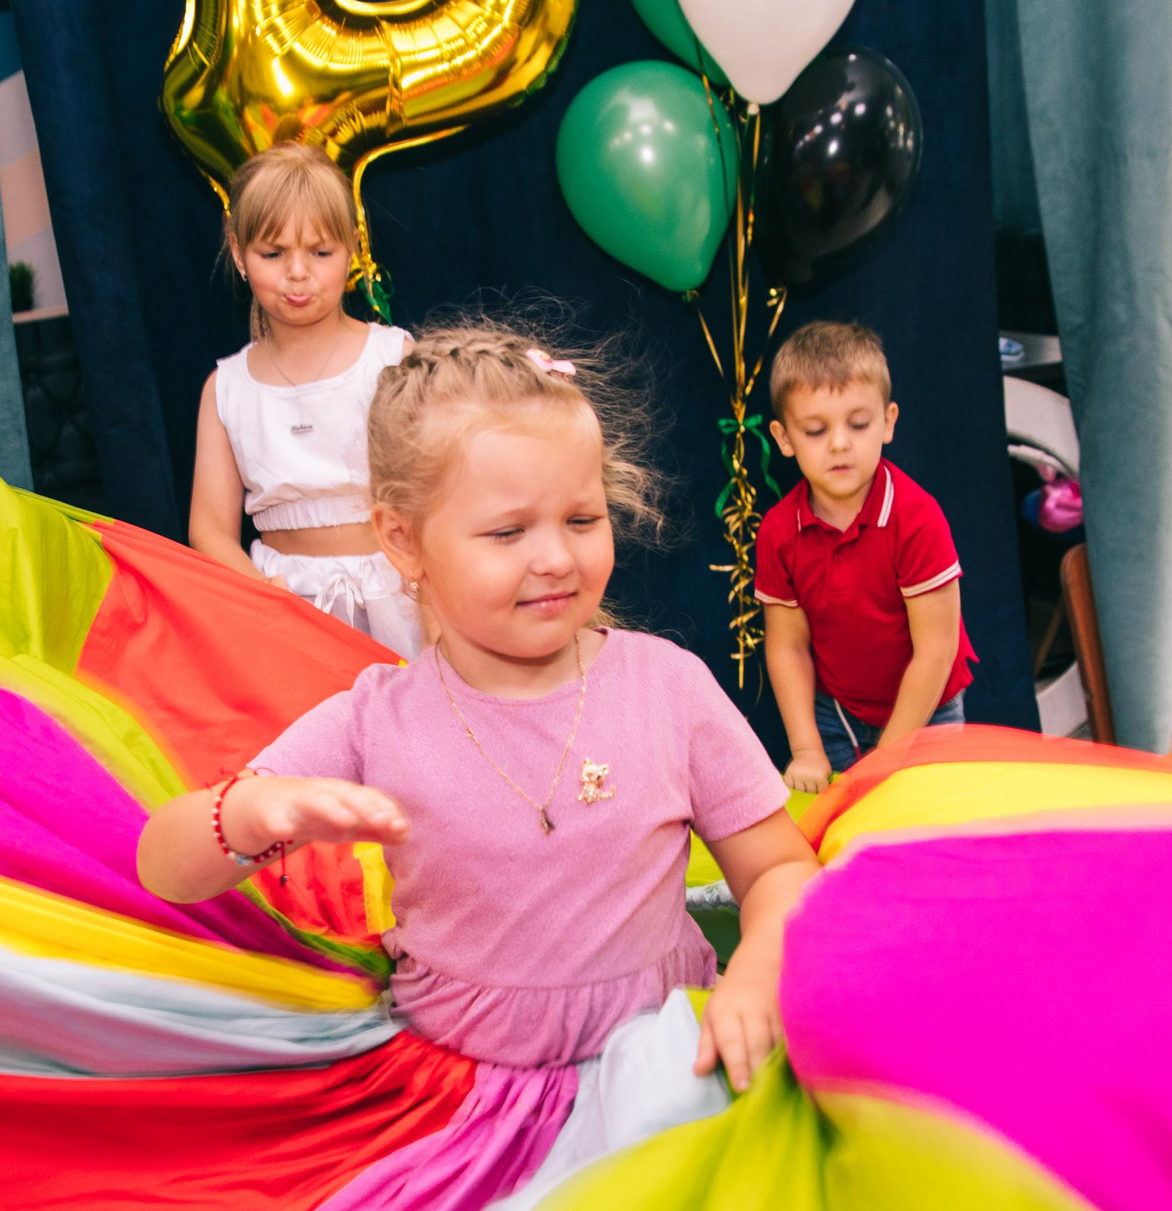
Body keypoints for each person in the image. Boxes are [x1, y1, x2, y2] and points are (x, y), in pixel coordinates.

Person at [141, 324, 819, 1085]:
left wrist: (758, 973)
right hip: (457, 1092)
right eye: (507, 532)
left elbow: (780, 871)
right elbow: (162, 866)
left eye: (582, 520)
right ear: (403, 542)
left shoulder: (670, 688)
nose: (557, 557)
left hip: (667, 1071)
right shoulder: (376, 720)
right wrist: (247, 815)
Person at [188, 143, 419, 656]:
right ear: (238, 252)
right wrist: (262, 593)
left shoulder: (392, 358)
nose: (298, 273)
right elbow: (209, 527)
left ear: (354, 248)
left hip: (400, 599)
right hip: (284, 613)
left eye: (320, 252)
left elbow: (436, 491)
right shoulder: (225, 388)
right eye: (273, 254)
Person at [755, 320, 975, 792]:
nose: (839, 443)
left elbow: (936, 651)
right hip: (838, 715)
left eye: (858, 424)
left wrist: (890, 756)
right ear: (784, 438)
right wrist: (807, 749)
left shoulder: (918, 518)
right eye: (815, 430)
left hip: (929, 710)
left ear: (888, 422)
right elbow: (787, 647)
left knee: (924, 833)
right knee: (849, 838)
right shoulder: (777, 531)